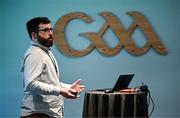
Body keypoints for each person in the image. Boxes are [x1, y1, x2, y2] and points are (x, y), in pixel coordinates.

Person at [20, 17, 85, 117]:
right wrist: (60, 91)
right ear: (34, 35)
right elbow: (31, 83)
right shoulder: (35, 54)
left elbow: (48, 81)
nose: (50, 33)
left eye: (51, 29)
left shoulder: (45, 52)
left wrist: (67, 88)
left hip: (46, 114)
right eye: (45, 30)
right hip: (38, 114)